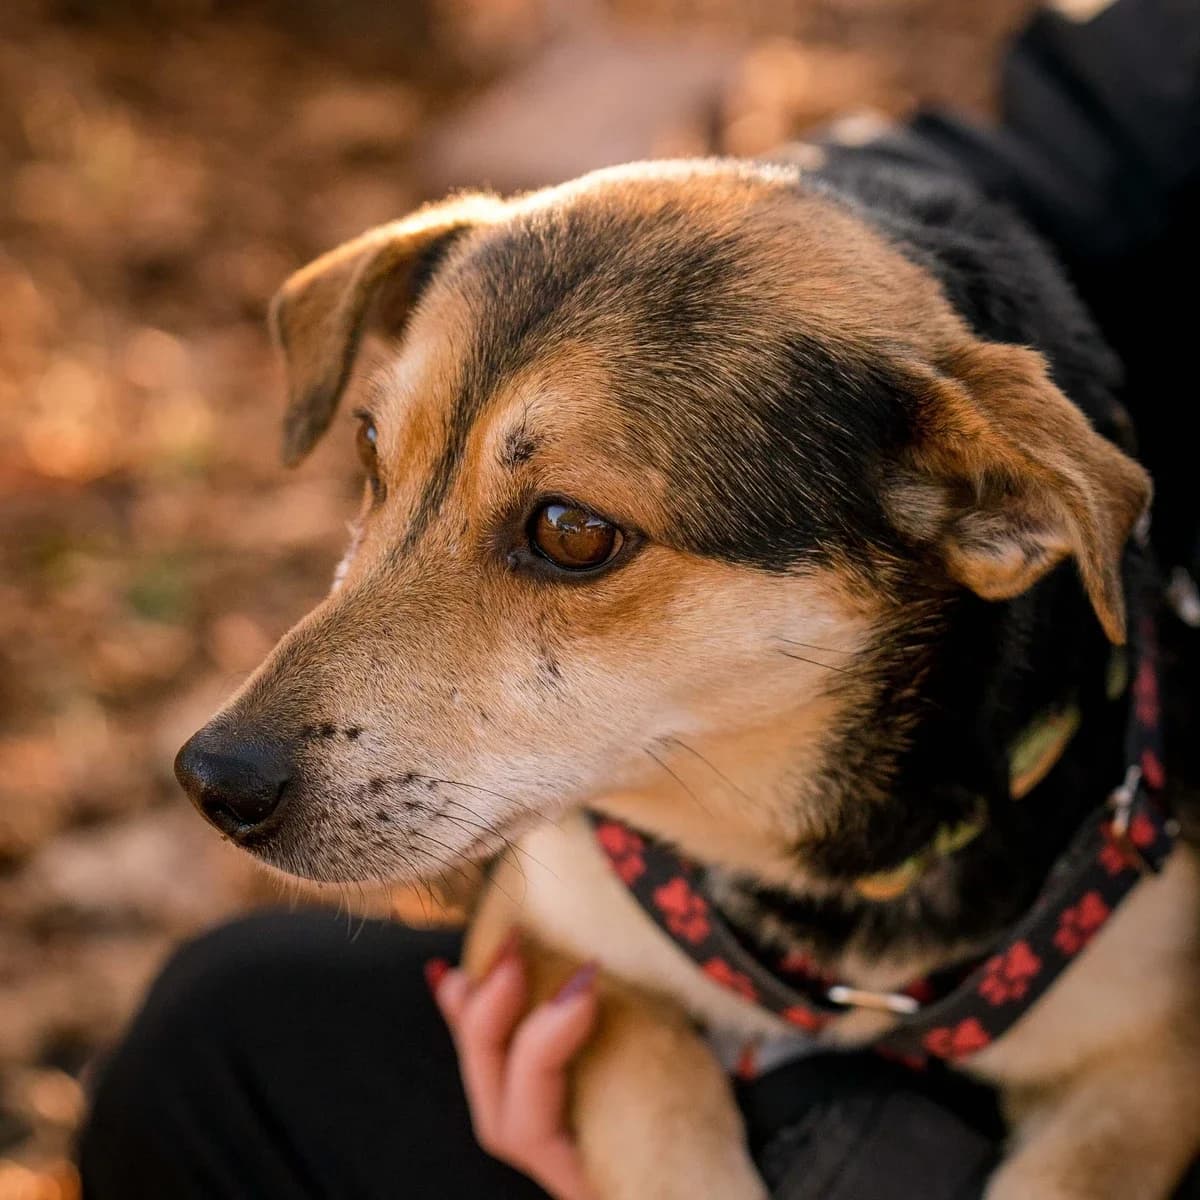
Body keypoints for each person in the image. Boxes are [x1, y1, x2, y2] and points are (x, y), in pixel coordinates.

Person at [79, 0, 1200, 1195]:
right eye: (379, 459)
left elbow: (1139, 1073)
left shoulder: (1108, 796)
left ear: (988, 511)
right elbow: (1078, 147)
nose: (259, 733)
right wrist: (727, 261)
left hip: (989, 869)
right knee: (212, 1047)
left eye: (569, 537)